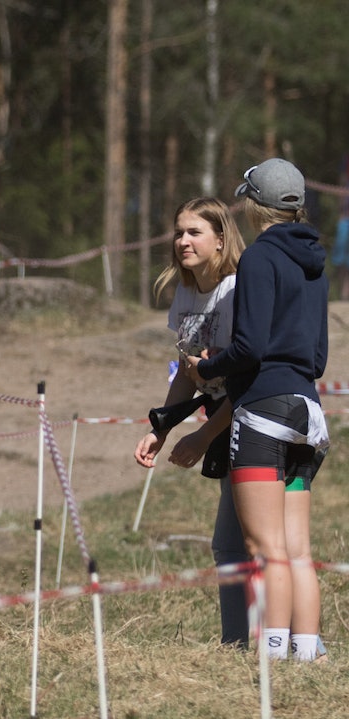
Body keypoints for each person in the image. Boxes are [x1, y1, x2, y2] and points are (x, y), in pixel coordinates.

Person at [182, 158, 329, 662]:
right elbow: (319, 356)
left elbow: (248, 347)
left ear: (252, 203)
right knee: (297, 550)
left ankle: (268, 656)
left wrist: (206, 369)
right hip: (307, 410)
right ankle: (305, 652)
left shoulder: (261, 258)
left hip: (263, 410)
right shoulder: (316, 259)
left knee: (264, 548)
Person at [133, 197, 249, 647]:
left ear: (221, 240)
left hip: (249, 417)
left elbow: (246, 382)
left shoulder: (238, 290)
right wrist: (160, 429)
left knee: (242, 544)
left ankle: (272, 644)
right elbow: (186, 371)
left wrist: (202, 436)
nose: (183, 240)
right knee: (231, 544)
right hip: (220, 419)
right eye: (179, 232)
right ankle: (240, 643)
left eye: (194, 232)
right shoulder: (184, 294)